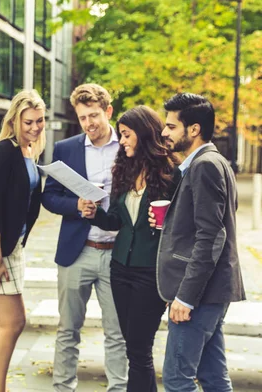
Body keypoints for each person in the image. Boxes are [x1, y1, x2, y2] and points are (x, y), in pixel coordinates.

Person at [148, 93, 246, 392]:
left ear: (193, 130)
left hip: (200, 294)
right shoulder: (213, 162)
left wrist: (186, 297)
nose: (164, 132)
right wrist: (173, 223)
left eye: (171, 126)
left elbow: (212, 236)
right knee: (214, 379)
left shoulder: (205, 165)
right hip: (212, 291)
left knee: (178, 380)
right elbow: (216, 220)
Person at [81, 105, 180, 391]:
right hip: (120, 269)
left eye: (126, 135)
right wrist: (94, 214)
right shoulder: (124, 169)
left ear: (144, 133)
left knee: (138, 349)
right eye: (121, 136)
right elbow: (115, 221)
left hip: (151, 273)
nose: (121, 141)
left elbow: (181, 228)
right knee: (133, 349)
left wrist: (168, 218)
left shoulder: (172, 175)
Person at [42, 83, 128, 392]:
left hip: (118, 254)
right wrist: (75, 206)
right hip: (76, 253)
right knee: (68, 330)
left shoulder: (128, 147)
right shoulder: (66, 149)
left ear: (108, 112)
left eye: (94, 115)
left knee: (117, 332)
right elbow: (49, 197)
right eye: (82, 118)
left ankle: (119, 388)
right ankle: (63, 388)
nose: (89, 124)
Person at [0, 90, 46, 392]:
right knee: (14, 322)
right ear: (14, 120)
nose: (35, 127)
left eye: (40, 121)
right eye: (28, 122)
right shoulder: (4, 152)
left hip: (11, 246)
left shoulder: (28, 151)